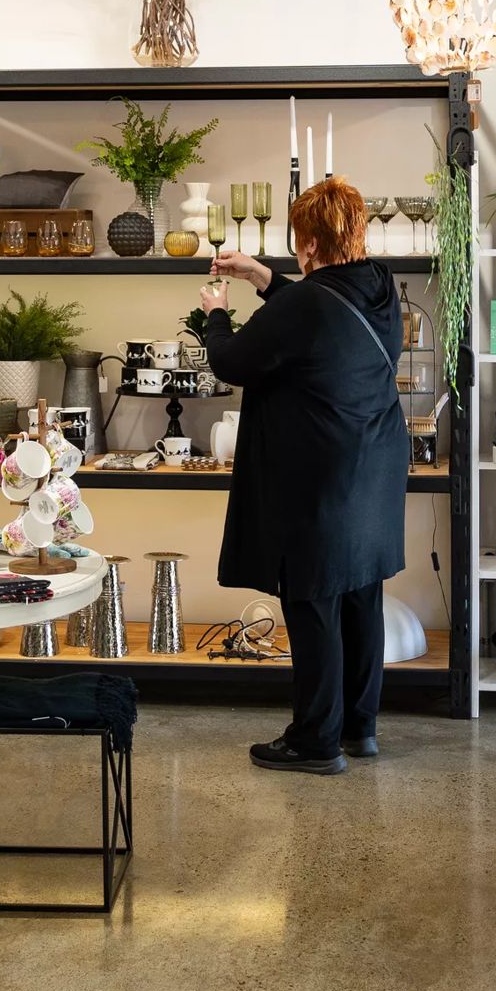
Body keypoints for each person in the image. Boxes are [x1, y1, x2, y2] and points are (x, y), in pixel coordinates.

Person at [199, 176, 406, 776]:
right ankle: (359, 729)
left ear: (309, 244)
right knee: (361, 591)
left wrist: (216, 314)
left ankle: (316, 740)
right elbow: (321, 317)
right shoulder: (380, 288)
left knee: (312, 598)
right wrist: (263, 277)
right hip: (375, 464)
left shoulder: (308, 303)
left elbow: (232, 360)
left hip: (321, 471)